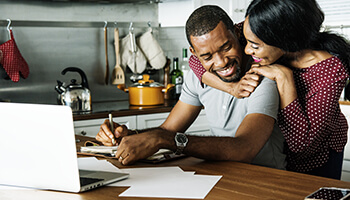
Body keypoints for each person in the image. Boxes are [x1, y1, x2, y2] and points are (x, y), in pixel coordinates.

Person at [96, 5, 286, 170]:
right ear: (194, 54)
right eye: (207, 56)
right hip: (225, 176)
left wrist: (165, 139)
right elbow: (167, 130)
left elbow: (244, 149)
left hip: (268, 179)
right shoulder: (197, 79)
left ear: (237, 34)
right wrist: (130, 136)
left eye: (226, 47)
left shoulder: (262, 76)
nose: (221, 62)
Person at [187, 0, 350, 179]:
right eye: (247, 42)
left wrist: (284, 77)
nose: (247, 50)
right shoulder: (255, 28)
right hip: (278, 151)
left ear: (283, 40)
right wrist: (232, 88)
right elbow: (195, 60)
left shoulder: (329, 70)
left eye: (255, 45)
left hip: (317, 157)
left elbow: (301, 146)